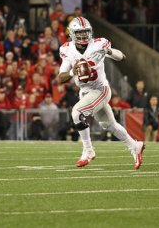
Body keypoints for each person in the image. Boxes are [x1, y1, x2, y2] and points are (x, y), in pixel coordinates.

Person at [57, 16, 144, 169]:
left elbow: (122, 57)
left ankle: (88, 150)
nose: (83, 36)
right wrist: (73, 71)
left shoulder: (99, 44)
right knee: (110, 125)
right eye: (79, 33)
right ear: (71, 34)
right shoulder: (67, 49)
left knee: (77, 113)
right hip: (85, 92)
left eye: (86, 32)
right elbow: (61, 77)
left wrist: (109, 51)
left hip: (100, 89)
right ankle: (135, 146)